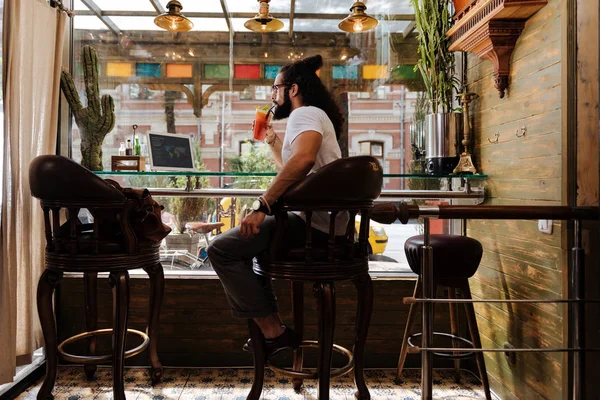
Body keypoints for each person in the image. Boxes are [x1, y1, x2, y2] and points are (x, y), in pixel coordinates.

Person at [207, 54, 346, 356]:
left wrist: (262, 205)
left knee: (221, 249)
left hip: (312, 227)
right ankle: (273, 330)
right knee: (247, 248)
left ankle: (274, 331)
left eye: (275, 88)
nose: (272, 96)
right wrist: (272, 142)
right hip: (324, 224)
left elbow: (304, 160)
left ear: (292, 90)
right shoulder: (313, 115)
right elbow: (299, 172)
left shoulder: (304, 114)